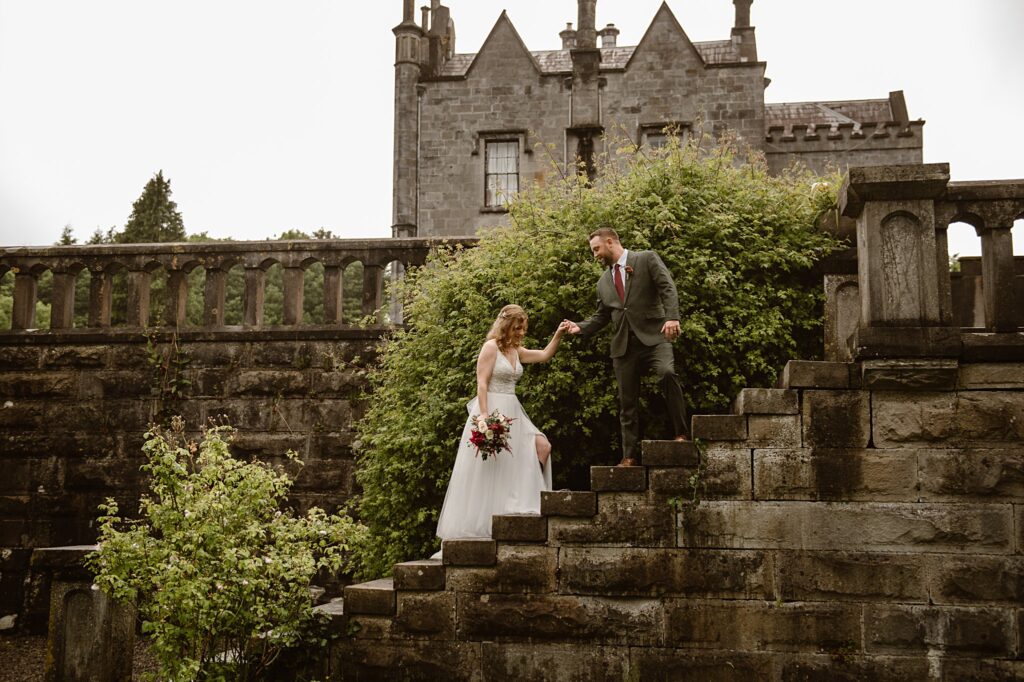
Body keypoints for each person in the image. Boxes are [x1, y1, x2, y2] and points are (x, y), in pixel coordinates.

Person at [434, 305, 568, 550]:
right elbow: (482, 383)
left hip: (513, 411)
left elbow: (544, 355)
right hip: (493, 409)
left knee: (542, 446)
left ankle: (520, 501)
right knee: (491, 468)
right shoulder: (491, 348)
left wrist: (558, 334)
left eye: (523, 328)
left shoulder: (517, 351)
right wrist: (484, 417)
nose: (521, 333)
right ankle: (489, 519)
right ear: (506, 326)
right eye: (517, 328)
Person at [564, 227, 689, 467]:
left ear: (610, 242)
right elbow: (601, 316)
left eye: (596, 249)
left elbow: (667, 288)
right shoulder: (603, 282)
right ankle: (629, 456)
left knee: (667, 373)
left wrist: (672, 317)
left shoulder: (646, 259)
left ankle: (681, 433)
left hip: (655, 337)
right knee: (627, 402)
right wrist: (579, 327)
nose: (595, 255)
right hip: (623, 347)